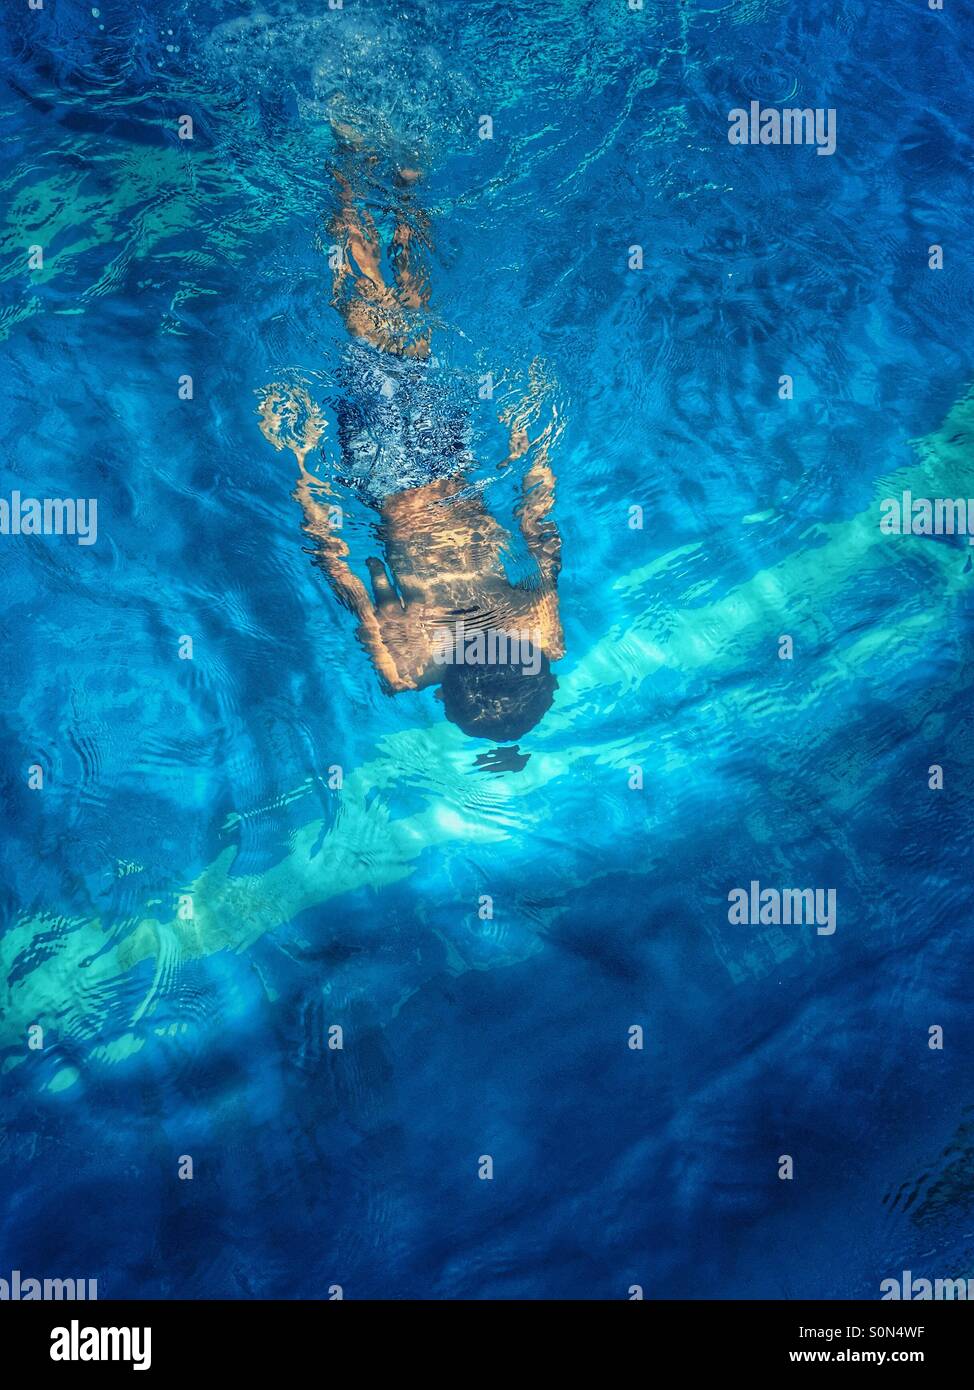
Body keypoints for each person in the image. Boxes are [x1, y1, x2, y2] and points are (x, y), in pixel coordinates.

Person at [259, 126, 564, 742]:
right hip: (385, 478)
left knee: (413, 332)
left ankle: (403, 186)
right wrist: (304, 477)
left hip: (451, 463)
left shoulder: (541, 634)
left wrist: (533, 455)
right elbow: (342, 569)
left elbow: (541, 537)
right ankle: (347, 178)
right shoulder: (411, 664)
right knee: (363, 325)